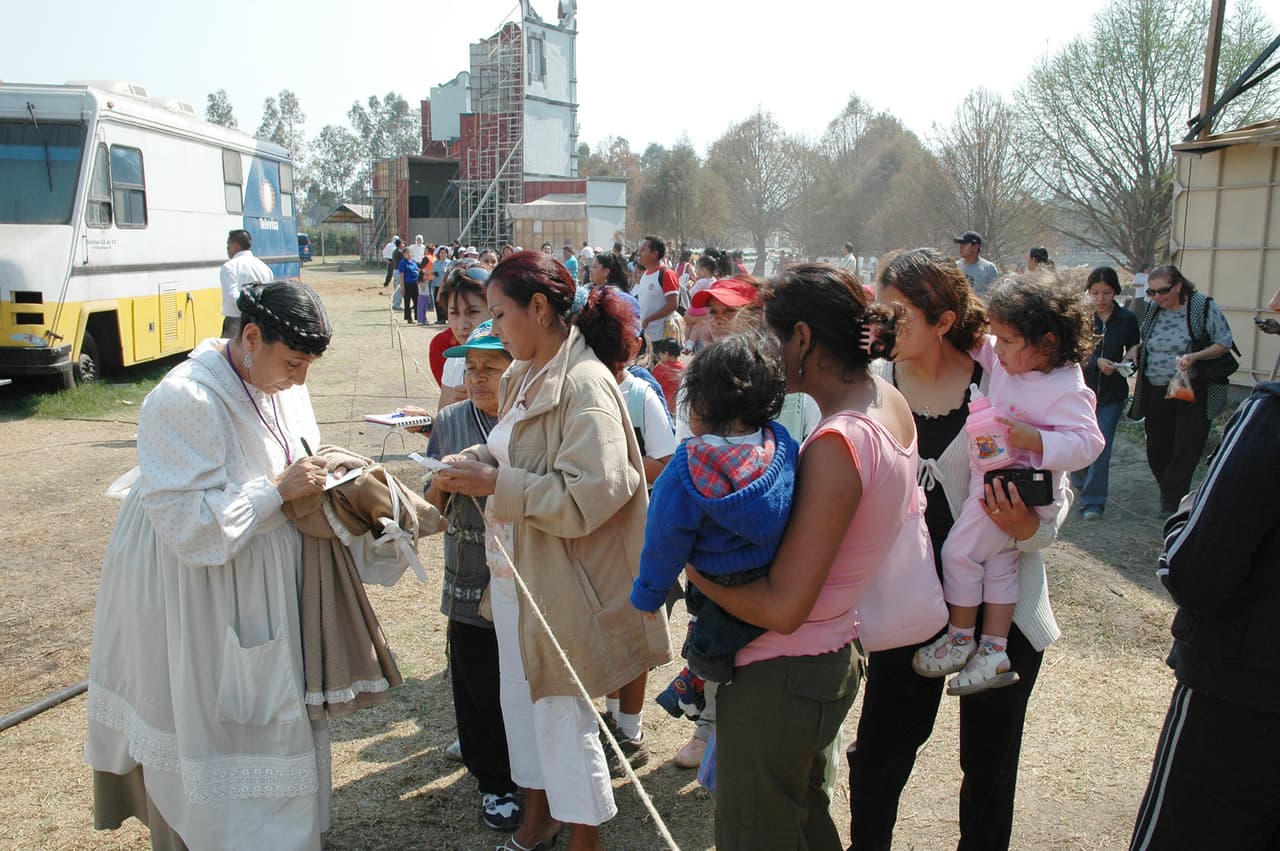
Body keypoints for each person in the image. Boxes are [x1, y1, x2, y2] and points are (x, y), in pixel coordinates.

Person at [434, 252, 671, 851]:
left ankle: (583, 838)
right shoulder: (526, 371)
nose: (493, 327)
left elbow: (597, 490)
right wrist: (480, 462)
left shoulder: (584, 382)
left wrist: (497, 484)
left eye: (499, 313)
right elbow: (514, 451)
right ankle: (538, 819)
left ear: (539, 309)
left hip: (562, 581)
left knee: (562, 717)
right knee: (522, 704)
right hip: (517, 571)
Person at [86, 282, 336, 849]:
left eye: (307, 367)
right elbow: (190, 529)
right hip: (197, 587)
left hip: (260, 575)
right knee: (212, 712)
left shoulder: (281, 383)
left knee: (269, 711)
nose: (300, 380)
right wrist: (275, 490)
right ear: (251, 337)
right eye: (293, 363)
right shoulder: (185, 399)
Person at [851, 248, 1072, 850]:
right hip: (911, 611)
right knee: (879, 757)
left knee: (991, 768)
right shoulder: (870, 390)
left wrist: (1028, 528)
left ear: (943, 321)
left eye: (898, 312)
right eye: (879, 309)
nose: (882, 323)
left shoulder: (1002, 379)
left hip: (1003, 613)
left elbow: (1056, 492)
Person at [684, 263, 909, 848]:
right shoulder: (886, 400)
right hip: (830, 651)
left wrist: (691, 566)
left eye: (771, 337)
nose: (766, 354)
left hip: (784, 670)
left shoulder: (840, 441)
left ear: (803, 338)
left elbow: (783, 607)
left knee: (755, 832)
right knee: (803, 819)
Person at [914, 272, 1103, 694]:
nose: (997, 348)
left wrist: (1037, 439)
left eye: (1009, 339)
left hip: (1018, 494)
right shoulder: (1006, 359)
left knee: (960, 554)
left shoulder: (1065, 385)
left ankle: (960, 638)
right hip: (995, 486)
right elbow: (977, 341)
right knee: (999, 566)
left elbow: (1089, 443)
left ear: (1048, 342)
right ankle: (994, 651)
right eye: (996, 338)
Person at [1129, 376, 1280, 850]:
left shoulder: (1271, 415)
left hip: (1240, 695)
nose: (1274, 301)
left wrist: (1187, 515)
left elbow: (1194, 570)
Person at [631, 333, 797, 684]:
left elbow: (664, 539)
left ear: (701, 404)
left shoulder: (688, 465)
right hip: (771, 570)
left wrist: (648, 595)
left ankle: (702, 682)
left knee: (709, 646)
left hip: (716, 575)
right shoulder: (781, 447)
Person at [422, 320, 522, 834]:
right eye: (472, 367)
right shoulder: (452, 419)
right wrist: (443, 482)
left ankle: (532, 773)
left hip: (525, 576)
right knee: (477, 679)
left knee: (524, 680)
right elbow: (428, 509)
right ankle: (493, 781)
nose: (478, 378)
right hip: (468, 571)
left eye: (492, 367)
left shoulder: (532, 420)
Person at [1127, 265, 1235, 513]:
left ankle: (1172, 501)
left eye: (1162, 291)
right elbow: (1148, 340)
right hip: (1156, 386)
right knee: (1157, 446)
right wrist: (1136, 349)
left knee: (1186, 446)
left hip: (1192, 388)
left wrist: (1196, 356)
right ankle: (1171, 491)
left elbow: (1224, 343)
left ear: (1178, 286)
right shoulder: (1154, 309)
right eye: (1152, 292)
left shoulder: (1201, 307)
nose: (1157, 297)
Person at [1072, 266, 1140, 520]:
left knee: (1102, 445)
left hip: (1113, 393)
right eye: (1095, 292)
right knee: (1079, 441)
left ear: (1116, 292)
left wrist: (1131, 359)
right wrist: (1096, 362)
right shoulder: (1082, 317)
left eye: (1106, 293)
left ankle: (1093, 502)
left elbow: (1134, 346)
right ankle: (1080, 481)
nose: (1100, 299)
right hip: (1081, 390)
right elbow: (1072, 353)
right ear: (1089, 292)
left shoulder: (1127, 319)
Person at [434, 263, 492, 411]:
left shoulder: (517, 363)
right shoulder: (454, 362)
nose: (461, 325)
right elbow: (442, 432)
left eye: (472, 312)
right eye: (454, 313)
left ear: (494, 310)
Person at [219, 229, 273, 337]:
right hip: (260, 322)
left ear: (235, 245)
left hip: (236, 323)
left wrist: (248, 307)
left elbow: (232, 297)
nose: (227, 248)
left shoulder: (229, 267)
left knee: (233, 353)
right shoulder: (265, 268)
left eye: (228, 244)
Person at [636, 235, 679, 343]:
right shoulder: (645, 274)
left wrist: (649, 319)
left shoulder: (666, 274)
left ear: (655, 254)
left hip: (661, 338)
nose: (638, 253)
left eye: (643, 250)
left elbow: (673, 304)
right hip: (645, 335)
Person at [954, 231, 999, 296]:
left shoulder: (989, 268)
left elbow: (993, 295)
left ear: (975, 247)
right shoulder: (955, 267)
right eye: (960, 244)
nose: (961, 247)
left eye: (965, 244)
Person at [649, 338, 684, 415]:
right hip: (677, 407)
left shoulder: (661, 369)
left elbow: (652, 386)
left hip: (662, 406)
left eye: (660, 354)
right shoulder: (683, 367)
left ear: (666, 354)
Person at [398, 248, 422, 324]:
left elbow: (417, 270)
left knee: (417, 301)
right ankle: (409, 318)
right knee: (407, 302)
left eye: (410, 253)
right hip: (407, 284)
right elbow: (401, 276)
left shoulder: (413, 262)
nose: (409, 255)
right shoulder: (402, 263)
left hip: (415, 284)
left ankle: (418, 317)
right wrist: (402, 287)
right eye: (407, 253)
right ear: (404, 254)